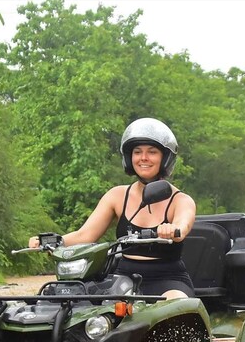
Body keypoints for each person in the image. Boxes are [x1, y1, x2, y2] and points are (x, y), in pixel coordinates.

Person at [29, 117, 196, 299]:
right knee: (76, 302)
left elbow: (183, 224)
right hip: (122, 278)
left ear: (165, 158)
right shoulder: (117, 195)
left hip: (167, 278)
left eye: (152, 152)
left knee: (175, 303)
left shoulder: (181, 200)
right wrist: (53, 241)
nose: (143, 158)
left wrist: (172, 229)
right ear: (129, 157)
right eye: (137, 152)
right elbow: (85, 235)